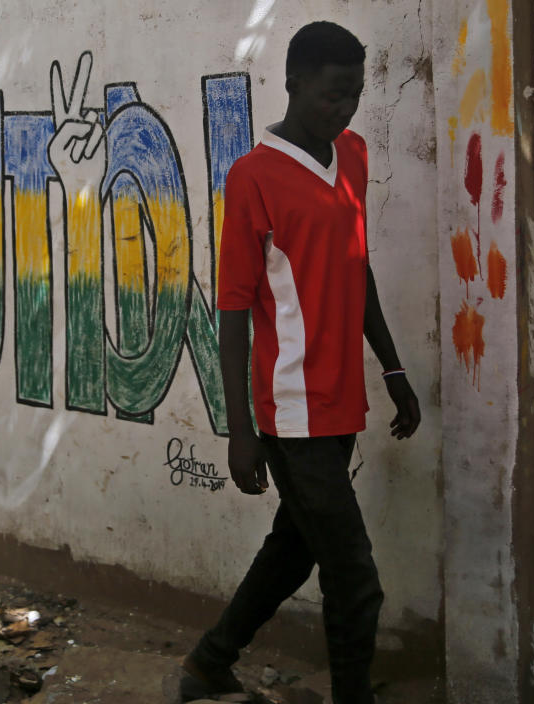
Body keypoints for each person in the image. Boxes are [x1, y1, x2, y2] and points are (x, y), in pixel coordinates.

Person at [181, 21, 421, 704]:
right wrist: (238, 429)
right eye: (330, 95)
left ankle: (207, 664)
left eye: (353, 95)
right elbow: (232, 309)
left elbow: (355, 266)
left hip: (341, 397)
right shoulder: (252, 176)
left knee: (295, 544)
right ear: (291, 83)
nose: (342, 108)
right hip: (289, 410)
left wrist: (393, 368)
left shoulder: (352, 154)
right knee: (355, 578)